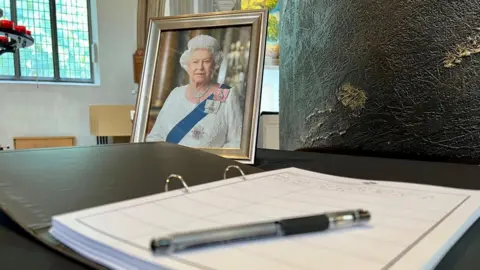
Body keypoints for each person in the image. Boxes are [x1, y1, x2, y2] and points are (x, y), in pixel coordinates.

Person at [145, 34, 244, 148]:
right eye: (195, 62)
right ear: (188, 65)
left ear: (214, 65)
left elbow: (237, 142)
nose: (200, 67)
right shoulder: (175, 94)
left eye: (206, 61)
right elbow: (155, 136)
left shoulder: (227, 94)